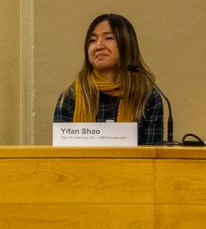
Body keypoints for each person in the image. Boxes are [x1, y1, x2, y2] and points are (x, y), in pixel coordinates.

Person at [54, 13, 164, 144]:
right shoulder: (71, 96)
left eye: (109, 38)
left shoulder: (147, 96)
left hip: (133, 165)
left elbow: (151, 158)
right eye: (92, 40)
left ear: (126, 44)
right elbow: (62, 157)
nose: (99, 46)